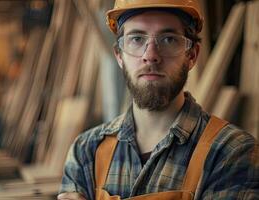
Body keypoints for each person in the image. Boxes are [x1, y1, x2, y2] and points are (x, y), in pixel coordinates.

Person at [58, 0, 259, 200]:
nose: (151, 55)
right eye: (136, 39)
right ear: (119, 55)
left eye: (168, 39)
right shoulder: (86, 152)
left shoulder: (231, 152)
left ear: (192, 55)